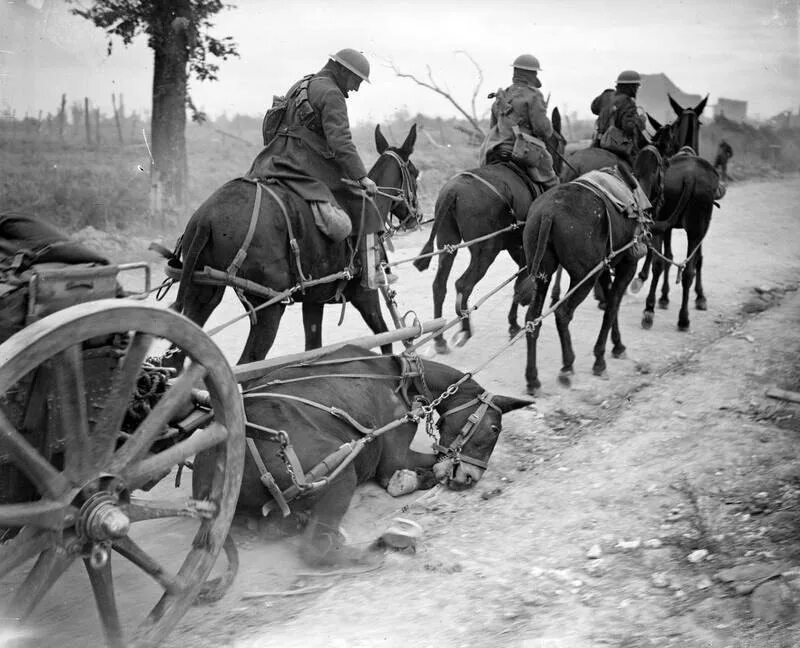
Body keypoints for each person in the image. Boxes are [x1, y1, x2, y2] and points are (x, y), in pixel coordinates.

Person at [250, 48, 394, 288]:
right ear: (342, 70)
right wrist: (362, 178)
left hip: (272, 161)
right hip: (305, 166)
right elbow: (341, 142)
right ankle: (372, 274)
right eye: (356, 80)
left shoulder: (300, 84)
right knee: (365, 204)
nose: (355, 88)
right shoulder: (332, 93)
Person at [479, 54, 558, 190]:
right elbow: (543, 130)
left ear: (515, 72)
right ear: (533, 74)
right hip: (520, 150)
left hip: (494, 150)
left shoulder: (501, 96)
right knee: (552, 182)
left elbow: (493, 126)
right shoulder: (534, 95)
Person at [591, 70, 648, 167]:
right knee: (639, 169)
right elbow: (628, 127)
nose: (637, 89)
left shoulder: (606, 95)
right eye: (637, 86)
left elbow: (594, 108)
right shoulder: (628, 102)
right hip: (614, 146)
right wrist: (640, 120)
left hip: (597, 143)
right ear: (631, 87)